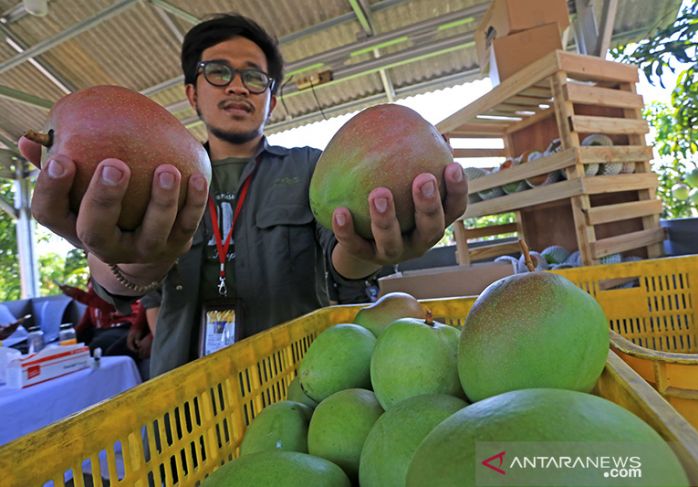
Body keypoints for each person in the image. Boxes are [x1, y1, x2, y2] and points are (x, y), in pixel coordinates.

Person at [20, 14, 467, 377]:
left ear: (272, 99)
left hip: (300, 382)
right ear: (192, 94)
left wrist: (368, 249)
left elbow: (343, 272)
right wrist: (132, 260)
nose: (237, 86)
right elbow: (128, 291)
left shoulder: (312, 168)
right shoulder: (160, 171)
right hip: (183, 403)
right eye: (218, 72)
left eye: (255, 77)